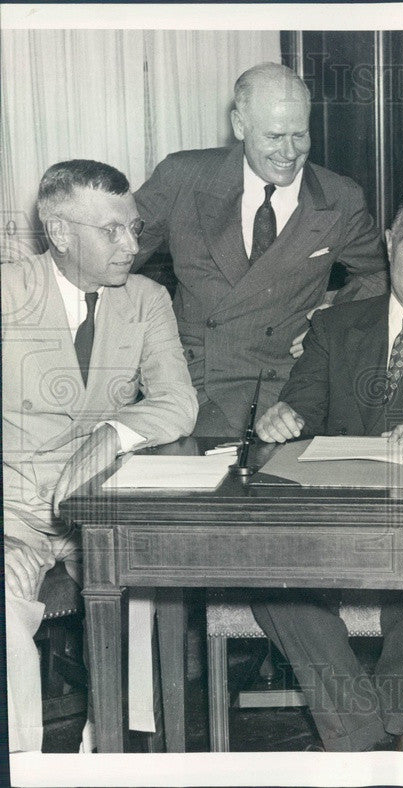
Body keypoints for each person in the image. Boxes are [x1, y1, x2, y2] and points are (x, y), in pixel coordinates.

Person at [250, 184, 403, 751]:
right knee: (270, 582)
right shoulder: (334, 327)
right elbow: (302, 407)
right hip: (329, 531)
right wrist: (282, 417)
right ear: (390, 244)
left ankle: (356, 733)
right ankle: (370, 735)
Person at [3, 160, 198, 752]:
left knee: (138, 586)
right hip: (9, 513)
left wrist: (111, 434)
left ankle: (117, 746)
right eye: (111, 231)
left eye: (134, 228)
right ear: (60, 232)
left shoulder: (146, 299)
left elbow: (179, 402)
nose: (131, 245)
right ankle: (22, 761)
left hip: (98, 510)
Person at [133, 62, 387, 437]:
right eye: (274, 136)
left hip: (285, 389)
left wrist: (335, 313)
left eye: (300, 135)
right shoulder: (181, 178)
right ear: (239, 125)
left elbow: (382, 271)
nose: (290, 152)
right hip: (192, 384)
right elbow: (116, 254)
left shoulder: (338, 198)